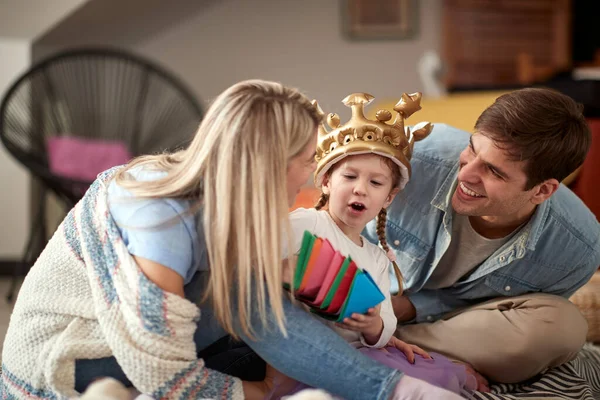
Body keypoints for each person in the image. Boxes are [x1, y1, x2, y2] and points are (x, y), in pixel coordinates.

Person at [1, 79, 462, 400]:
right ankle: (394, 393)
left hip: (142, 346)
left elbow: (298, 284)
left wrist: (378, 328)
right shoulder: (159, 220)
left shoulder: (220, 198)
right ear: (269, 162)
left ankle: (393, 391)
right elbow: (159, 365)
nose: (309, 174)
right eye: (306, 160)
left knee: (260, 287)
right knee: (251, 293)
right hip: (60, 368)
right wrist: (253, 393)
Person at [364, 88, 600, 390]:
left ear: (542, 191)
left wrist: (410, 307)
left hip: (451, 324)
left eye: (493, 171)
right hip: (365, 297)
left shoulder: (577, 250)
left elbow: (507, 317)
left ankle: (383, 341)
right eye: (472, 150)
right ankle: (386, 340)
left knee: (564, 328)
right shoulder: (406, 158)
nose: (467, 174)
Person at [267, 92, 475, 398]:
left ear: (388, 198)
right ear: (325, 181)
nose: (361, 189)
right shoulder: (306, 223)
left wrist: (373, 324)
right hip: (306, 350)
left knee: (431, 370)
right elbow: (256, 260)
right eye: (349, 176)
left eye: (376, 183)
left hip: (359, 351)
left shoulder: (376, 257)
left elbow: (386, 327)